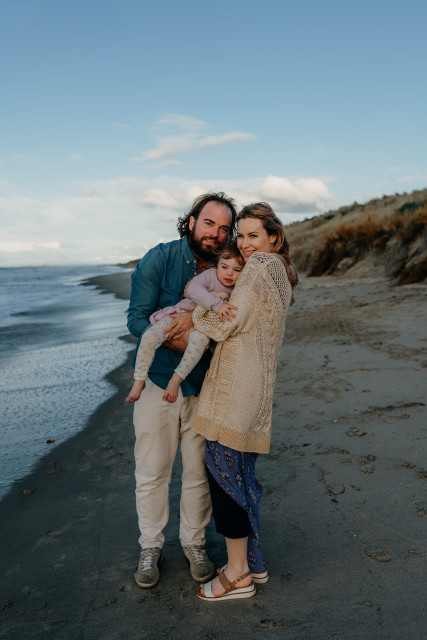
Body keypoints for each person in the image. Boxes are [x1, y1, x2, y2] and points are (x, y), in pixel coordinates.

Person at [127, 192, 237, 589]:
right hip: (157, 381)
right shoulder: (160, 258)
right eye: (208, 223)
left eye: (224, 228)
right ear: (191, 222)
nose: (215, 234)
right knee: (152, 470)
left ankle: (194, 543)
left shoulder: (233, 270)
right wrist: (175, 337)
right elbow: (136, 318)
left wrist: (200, 330)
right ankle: (150, 547)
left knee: (197, 472)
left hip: (206, 385)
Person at [190, 202, 298, 602]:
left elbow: (228, 323)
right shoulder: (281, 272)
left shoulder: (258, 267)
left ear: (274, 236)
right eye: (241, 235)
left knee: (225, 482)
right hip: (256, 390)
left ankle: (238, 575)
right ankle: (255, 562)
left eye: (254, 235)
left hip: (236, 391)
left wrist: (195, 317)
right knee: (242, 478)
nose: (245, 244)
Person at [125, 242, 244, 405]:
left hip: (203, 328)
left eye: (237, 270)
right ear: (217, 265)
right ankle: (139, 379)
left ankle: (176, 380)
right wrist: (217, 305)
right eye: (224, 267)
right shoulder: (211, 275)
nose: (229, 273)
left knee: (199, 343)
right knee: (149, 335)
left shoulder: (238, 290)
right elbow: (193, 288)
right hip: (179, 314)